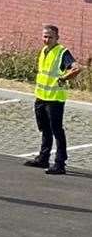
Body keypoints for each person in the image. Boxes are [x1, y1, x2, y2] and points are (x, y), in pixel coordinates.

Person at [26, 24, 82, 176]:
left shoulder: (62, 52)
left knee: (57, 130)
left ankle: (60, 162)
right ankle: (43, 157)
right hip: (41, 96)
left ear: (57, 38)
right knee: (44, 128)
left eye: (50, 37)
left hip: (54, 99)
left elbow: (76, 68)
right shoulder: (44, 50)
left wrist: (63, 78)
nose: (47, 39)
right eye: (44, 36)